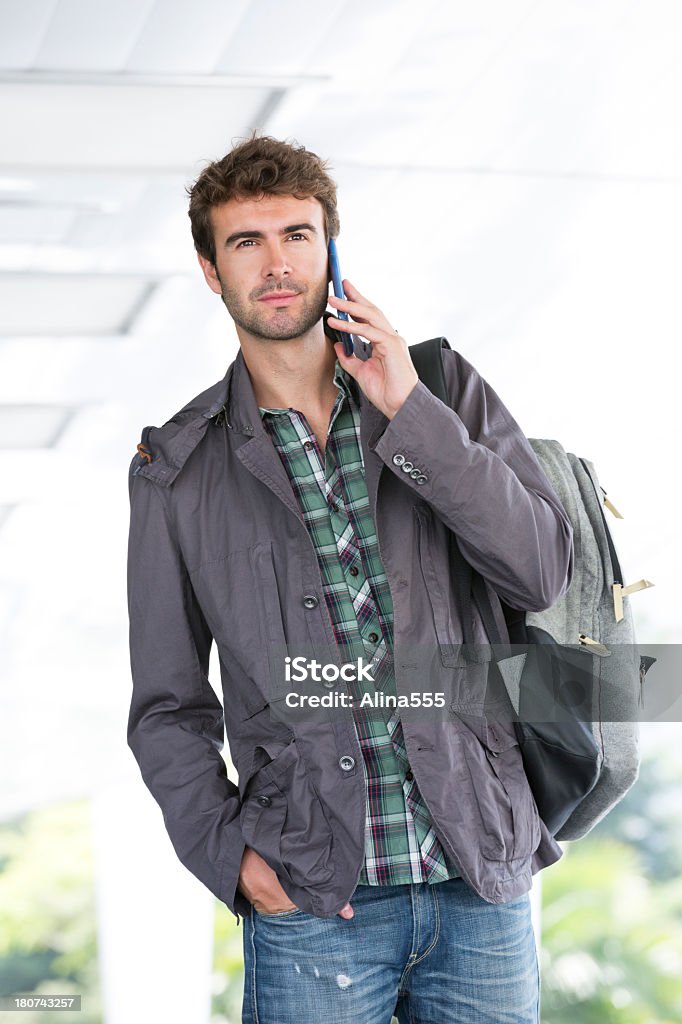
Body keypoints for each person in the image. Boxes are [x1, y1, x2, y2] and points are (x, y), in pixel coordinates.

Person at [126, 134, 574, 1023]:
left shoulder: (440, 388)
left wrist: (410, 410)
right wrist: (231, 859)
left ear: (331, 246)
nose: (277, 262)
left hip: (478, 882)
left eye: (297, 234)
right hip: (312, 900)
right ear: (213, 272)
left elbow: (539, 568)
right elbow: (167, 706)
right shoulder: (175, 469)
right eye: (246, 242)